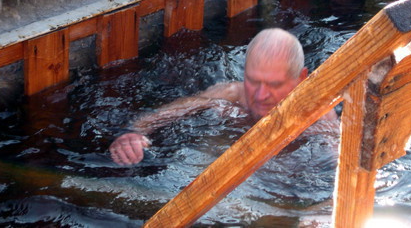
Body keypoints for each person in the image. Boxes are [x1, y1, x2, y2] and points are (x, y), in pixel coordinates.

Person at [109, 28, 338, 165]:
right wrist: (132, 134)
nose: (260, 95)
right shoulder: (230, 94)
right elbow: (164, 114)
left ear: (301, 79)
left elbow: (341, 160)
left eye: (274, 84)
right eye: (253, 81)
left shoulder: (316, 111)